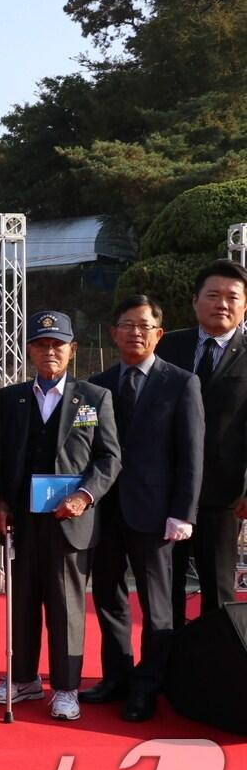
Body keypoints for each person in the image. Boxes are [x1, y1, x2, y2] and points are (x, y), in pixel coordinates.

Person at [0, 310, 120, 722]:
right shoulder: (11, 399)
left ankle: (66, 688)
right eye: (41, 344)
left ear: (72, 350)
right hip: (23, 519)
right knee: (23, 601)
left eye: (57, 344)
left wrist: (85, 495)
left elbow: (109, 458)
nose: (49, 351)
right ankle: (24, 678)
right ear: (30, 350)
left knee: (65, 608)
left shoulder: (94, 397)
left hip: (71, 519)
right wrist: (1, 501)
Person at [84, 295, 202, 722]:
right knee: (108, 595)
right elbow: (84, 445)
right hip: (104, 510)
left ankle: (149, 685)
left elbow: (191, 454)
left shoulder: (182, 382)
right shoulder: (94, 386)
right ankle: (117, 676)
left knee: (157, 605)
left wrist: (183, 512)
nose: (136, 332)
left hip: (156, 513)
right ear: (114, 333)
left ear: (159, 333)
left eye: (144, 326)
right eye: (127, 325)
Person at [155, 259, 247, 624]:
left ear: (244, 305)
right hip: (166, 489)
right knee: (165, 588)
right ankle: (167, 658)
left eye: (232, 297)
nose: (221, 304)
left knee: (219, 591)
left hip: (224, 495)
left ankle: (217, 660)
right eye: (212, 295)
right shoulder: (167, 347)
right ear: (195, 301)